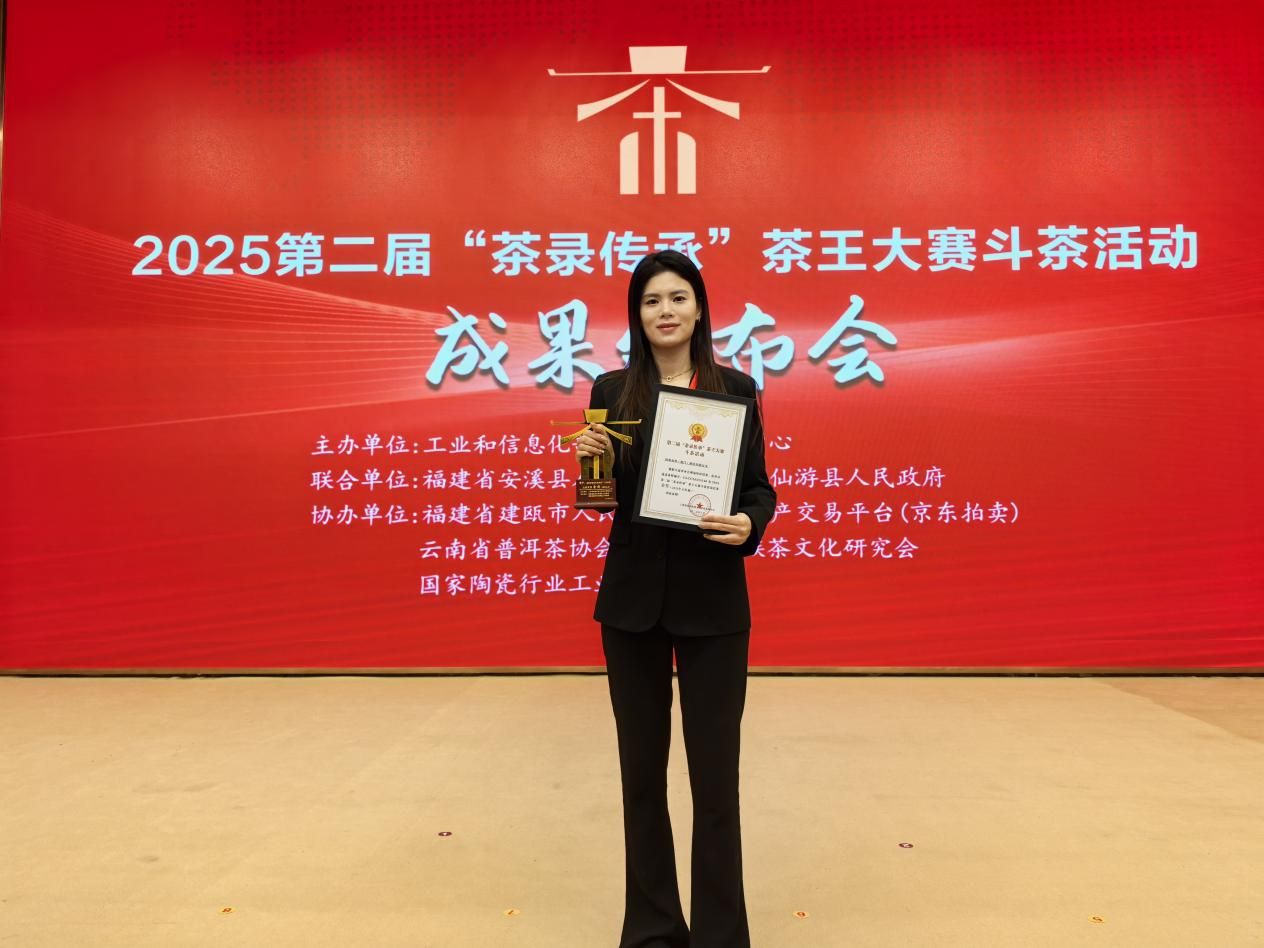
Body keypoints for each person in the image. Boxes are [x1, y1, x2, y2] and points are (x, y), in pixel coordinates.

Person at [573, 250, 776, 948]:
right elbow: (599, 500)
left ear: (699, 308)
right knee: (641, 779)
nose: (666, 311)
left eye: (678, 297)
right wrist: (591, 459)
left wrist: (749, 523)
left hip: (714, 606)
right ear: (637, 314)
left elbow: (758, 487)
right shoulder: (611, 389)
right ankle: (654, 930)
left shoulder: (735, 387)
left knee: (715, 782)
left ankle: (721, 934)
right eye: (652, 300)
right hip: (632, 607)